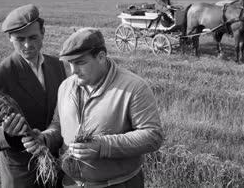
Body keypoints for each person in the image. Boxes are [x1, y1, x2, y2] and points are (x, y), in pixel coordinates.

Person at [24, 27, 164, 187]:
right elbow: (58, 124)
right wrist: (45, 138)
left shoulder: (134, 88)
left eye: (80, 63)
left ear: (101, 57)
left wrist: (102, 146)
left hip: (117, 184)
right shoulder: (66, 86)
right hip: (71, 183)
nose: (73, 70)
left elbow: (153, 136)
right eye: (70, 63)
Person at [0, 4, 66, 188]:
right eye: (20, 39)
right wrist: (7, 134)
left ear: (43, 33)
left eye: (33, 37)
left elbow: (63, 113)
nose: (27, 45)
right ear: (10, 38)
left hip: (57, 169)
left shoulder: (57, 66)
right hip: (22, 176)